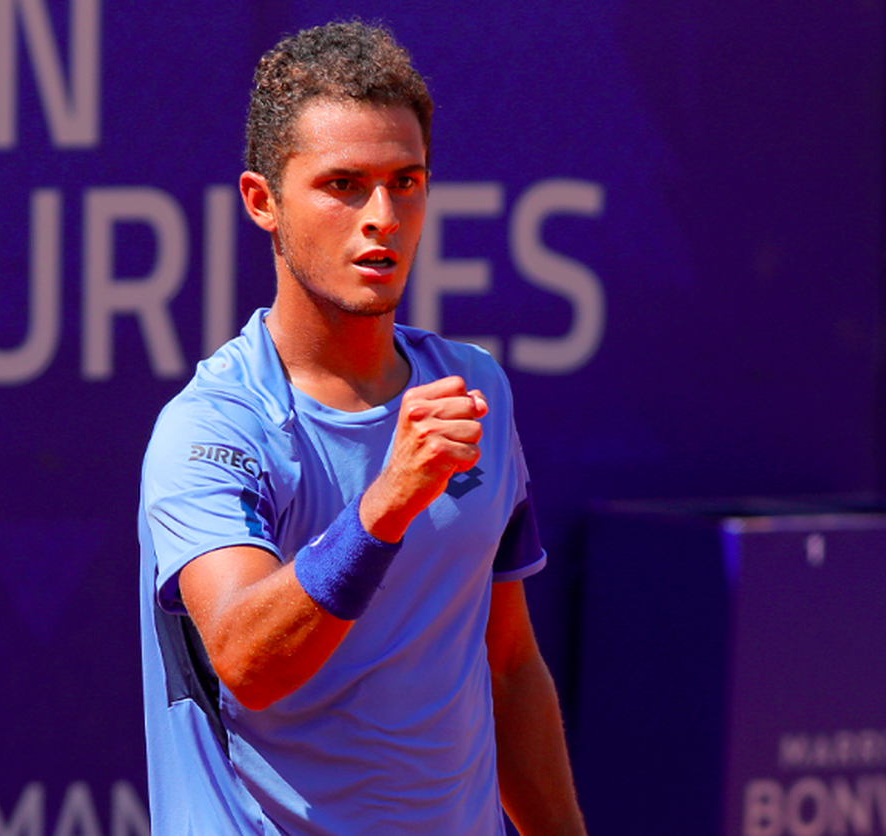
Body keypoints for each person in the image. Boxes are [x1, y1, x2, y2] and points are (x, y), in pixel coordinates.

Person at [138, 20, 586, 836]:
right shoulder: (210, 430)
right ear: (262, 202)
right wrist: (386, 505)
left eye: (405, 181)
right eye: (343, 184)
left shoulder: (474, 388)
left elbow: (510, 666)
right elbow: (248, 662)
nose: (382, 215)